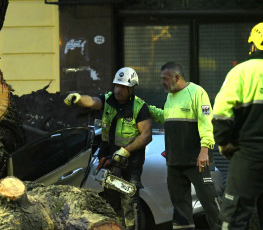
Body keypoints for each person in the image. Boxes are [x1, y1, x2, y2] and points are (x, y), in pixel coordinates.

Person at [64, 67, 152, 230]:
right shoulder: (108, 100)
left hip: (130, 163)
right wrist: (78, 98)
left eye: (123, 87)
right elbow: (92, 101)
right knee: (111, 202)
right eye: (116, 85)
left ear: (131, 88)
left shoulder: (139, 107)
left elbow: (146, 135)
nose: (118, 90)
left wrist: (126, 150)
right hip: (111, 161)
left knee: (130, 202)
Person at [149, 62, 221, 230]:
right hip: (175, 163)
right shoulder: (170, 96)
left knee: (210, 203)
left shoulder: (197, 92)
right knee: (180, 210)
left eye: (165, 79)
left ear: (177, 77)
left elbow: (207, 123)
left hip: (198, 161)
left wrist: (204, 151)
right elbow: (167, 118)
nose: (162, 83)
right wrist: (149, 110)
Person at [212, 22, 263, 230]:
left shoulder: (242, 72)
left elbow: (221, 113)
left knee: (233, 217)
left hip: (248, 154)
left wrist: (224, 144)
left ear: (253, 45)